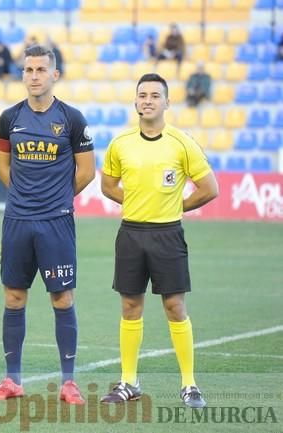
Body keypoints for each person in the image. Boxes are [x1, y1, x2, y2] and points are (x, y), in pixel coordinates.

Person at [100, 73, 218, 408]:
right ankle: (128, 382)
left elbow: (210, 189)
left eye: (155, 95)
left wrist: (176, 206)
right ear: (135, 101)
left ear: (167, 102)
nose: (148, 100)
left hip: (168, 235)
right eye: (142, 95)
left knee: (174, 307)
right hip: (131, 234)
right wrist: (138, 202)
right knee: (130, 307)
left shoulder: (182, 142)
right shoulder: (121, 143)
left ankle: (189, 384)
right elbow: (108, 185)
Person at [0, 44, 96, 404]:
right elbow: (2, 166)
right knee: (14, 296)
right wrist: (22, 194)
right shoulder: (9, 118)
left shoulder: (72, 119)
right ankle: (12, 380)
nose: (34, 76)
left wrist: (58, 199)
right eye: (28, 70)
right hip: (18, 219)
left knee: (62, 297)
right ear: (23, 75)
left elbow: (86, 171)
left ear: (54, 75)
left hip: (56, 222)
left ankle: (68, 382)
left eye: (40, 70)